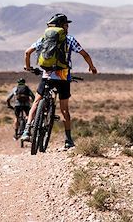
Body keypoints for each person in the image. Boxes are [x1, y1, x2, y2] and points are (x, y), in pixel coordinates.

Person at [20, 13, 97, 149]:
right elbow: (85, 54)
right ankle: (68, 140)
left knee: (36, 102)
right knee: (64, 110)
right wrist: (92, 67)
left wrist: (28, 67)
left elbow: (27, 52)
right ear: (62, 25)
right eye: (66, 24)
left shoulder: (44, 38)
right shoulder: (69, 39)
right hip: (63, 78)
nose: (68, 27)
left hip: (47, 77)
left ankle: (26, 130)